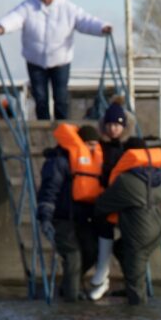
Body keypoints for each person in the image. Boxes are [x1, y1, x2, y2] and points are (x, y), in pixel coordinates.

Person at [0, 0, 112, 121]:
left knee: (60, 97)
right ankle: (43, 125)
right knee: (40, 98)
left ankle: (62, 126)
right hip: (35, 60)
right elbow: (14, 18)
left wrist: (102, 28)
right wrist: (1, 27)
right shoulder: (28, 7)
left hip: (60, 60)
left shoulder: (68, 9)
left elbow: (85, 20)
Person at [94, 137, 161, 305]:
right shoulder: (160, 177)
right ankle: (131, 290)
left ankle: (137, 314)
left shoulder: (126, 181)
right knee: (120, 249)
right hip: (157, 231)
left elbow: (101, 205)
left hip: (139, 236)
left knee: (137, 287)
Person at [36, 123, 103, 301]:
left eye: (96, 144)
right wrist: (45, 217)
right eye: (89, 144)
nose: (93, 148)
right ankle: (71, 304)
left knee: (92, 250)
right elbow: (49, 190)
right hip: (61, 219)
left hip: (82, 219)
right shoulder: (58, 162)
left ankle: (68, 286)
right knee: (73, 256)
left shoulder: (92, 164)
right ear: (80, 143)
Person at [86, 98, 128, 300]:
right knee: (102, 230)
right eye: (110, 125)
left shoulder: (126, 148)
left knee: (127, 240)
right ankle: (101, 277)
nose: (113, 129)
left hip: (121, 200)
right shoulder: (98, 146)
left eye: (117, 125)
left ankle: (108, 277)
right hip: (102, 199)